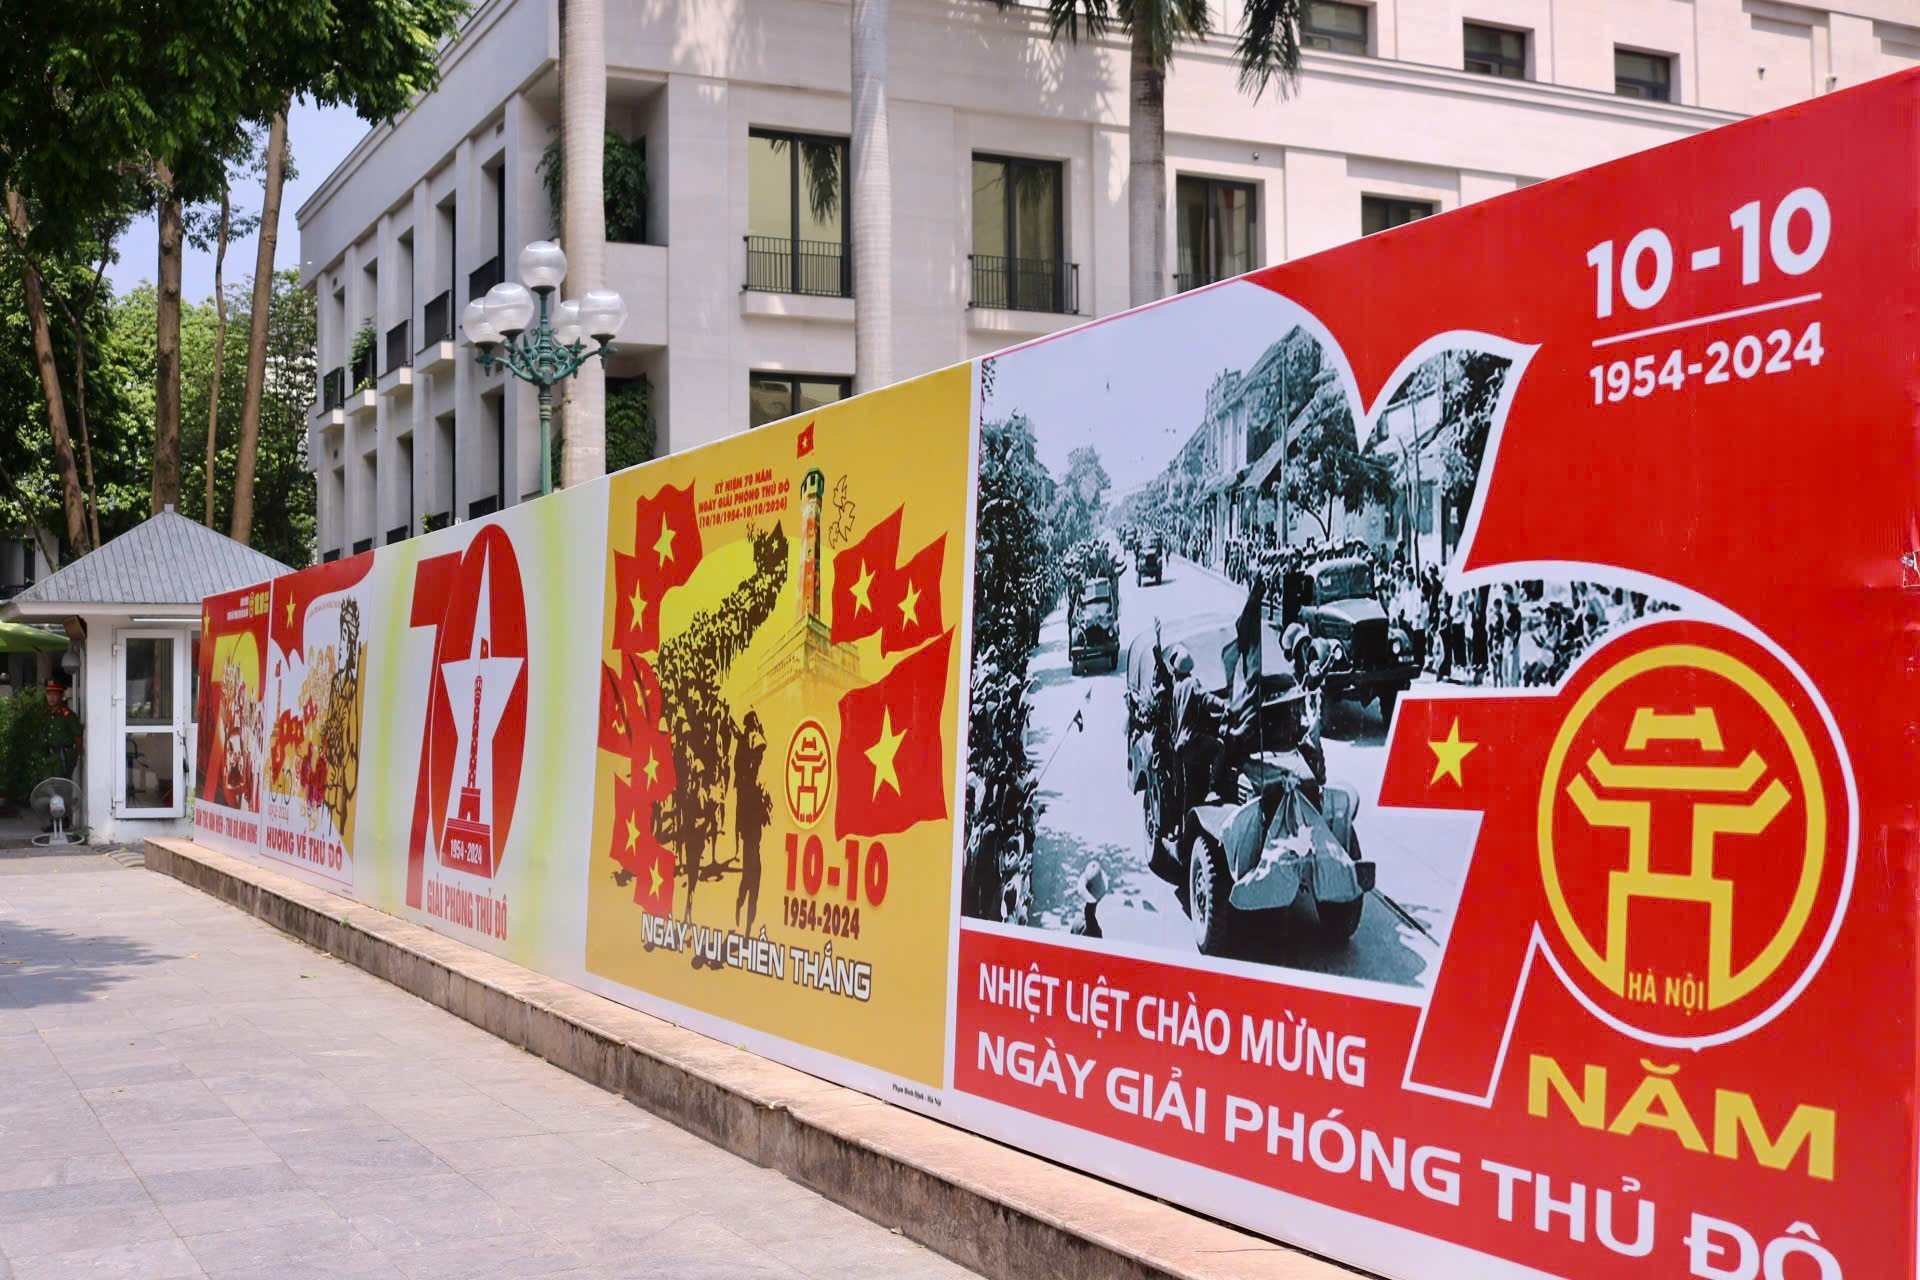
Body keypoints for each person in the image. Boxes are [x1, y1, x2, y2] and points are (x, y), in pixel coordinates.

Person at [732, 711, 772, 932]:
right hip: (749, 856)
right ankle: (739, 907)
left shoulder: (758, 784)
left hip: (756, 857)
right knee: (745, 888)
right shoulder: (747, 786)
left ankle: (747, 931)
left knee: (753, 892)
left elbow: (767, 818)